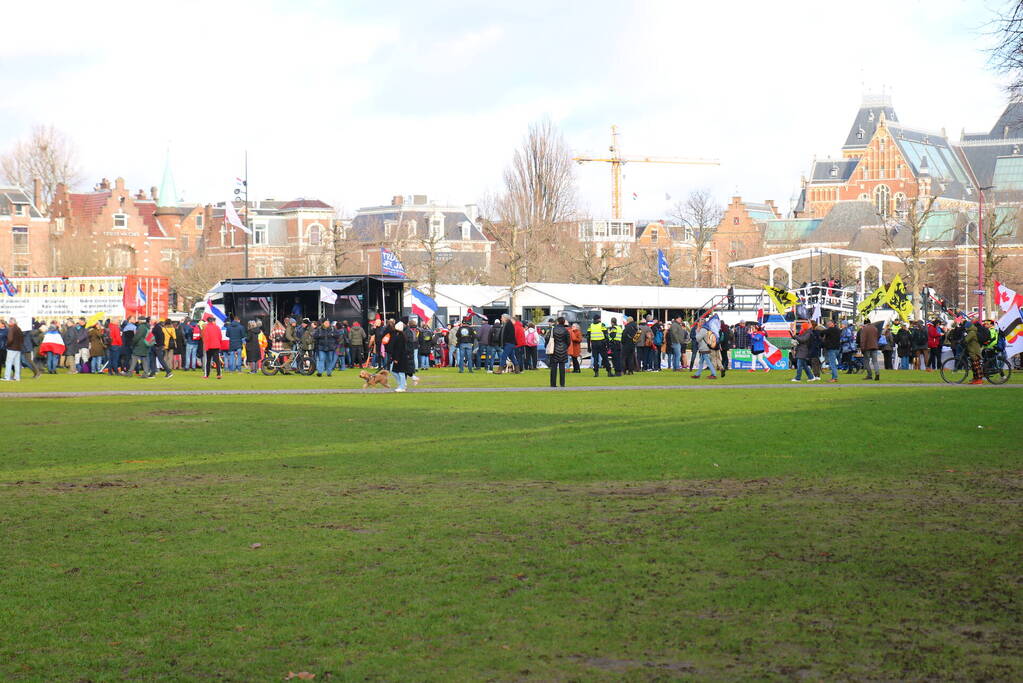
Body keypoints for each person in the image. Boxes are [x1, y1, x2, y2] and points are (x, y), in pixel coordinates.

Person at [548, 316, 570, 387]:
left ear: (557, 322)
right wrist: (565, 346)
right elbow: (568, 341)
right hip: (563, 349)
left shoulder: (553, 330)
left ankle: (553, 383)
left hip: (554, 349)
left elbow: (547, 338)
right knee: (562, 368)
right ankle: (562, 383)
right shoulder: (566, 330)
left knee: (553, 368)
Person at [388, 320, 409, 392]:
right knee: (394, 371)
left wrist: (396, 358)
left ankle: (402, 386)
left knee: (401, 372)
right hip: (400, 356)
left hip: (400, 357)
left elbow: (398, 349)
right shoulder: (400, 336)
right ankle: (401, 384)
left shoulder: (400, 337)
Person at [964, 320, 984, 385]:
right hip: (973, 351)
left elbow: (966, 340)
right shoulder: (972, 332)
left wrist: (963, 339)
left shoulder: (972, 332)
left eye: (966, 327)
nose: (965, 328)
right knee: (974, 366)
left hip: (974, 351)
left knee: (976, 366)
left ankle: (979, 380)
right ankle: (975, 379)